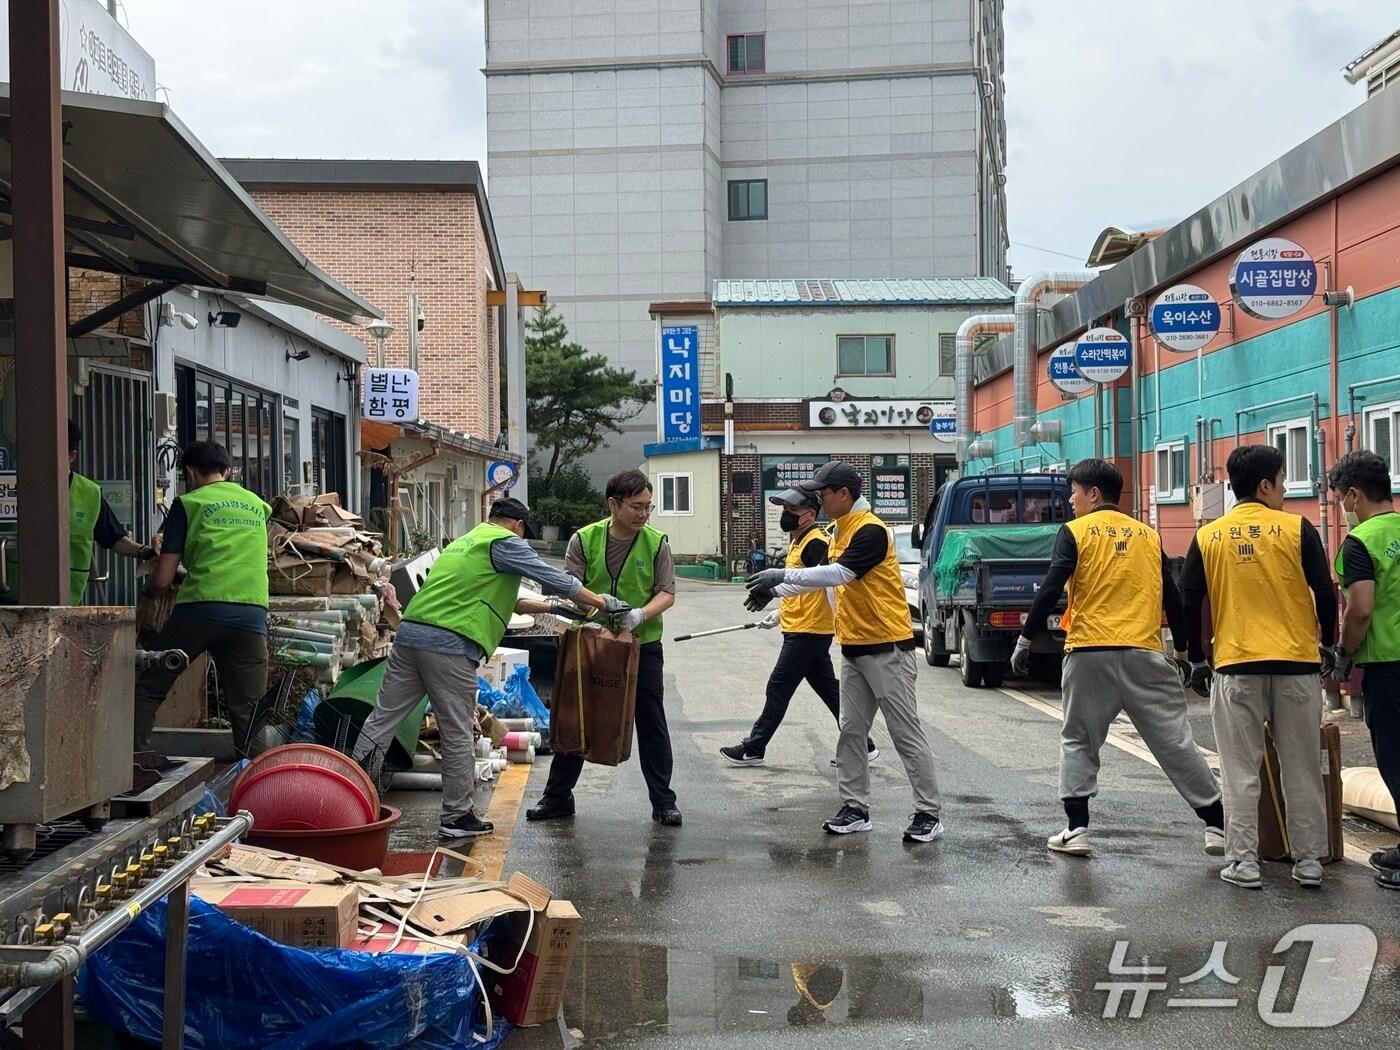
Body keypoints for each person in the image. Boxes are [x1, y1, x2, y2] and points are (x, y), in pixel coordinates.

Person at [354, 497, 624, 840]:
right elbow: (554, 578)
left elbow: (513, 599)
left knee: (383, 719)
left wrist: (560, 608)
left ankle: (353, 798)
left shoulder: (467, 543)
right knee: (456, 730)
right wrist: (602, 602)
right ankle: (456, 817)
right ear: (518, 526)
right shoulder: (506, 542)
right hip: (449, 644)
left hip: (411, 635)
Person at [1013, 457, 1222, 859]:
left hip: (1090, 652)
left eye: (1074, 493)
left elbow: (1051, 586)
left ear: (1093, 493)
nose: (1070, 502)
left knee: (1079, 740)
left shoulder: (1074, 532)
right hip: (1144, 653)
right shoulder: (1147, 535)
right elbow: (1172, 597)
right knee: (1176, 743)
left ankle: (1076, 830)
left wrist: (1025, 638)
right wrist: (1184, 652)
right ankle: (1216, 824)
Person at [745, 461, 943, 843]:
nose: (819, 499)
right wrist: (775, 594)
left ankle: (928, 812)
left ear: (844, 495)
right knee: (851, 731)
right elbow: (823, 582)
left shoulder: (870, 529)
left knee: (904, 733)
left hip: (888, 648)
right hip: (853, 647)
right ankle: (855, 807)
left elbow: (840, 574)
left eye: (823, 492)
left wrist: (781, 577)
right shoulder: (839, 529)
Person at [1179, 445, 1336, 890]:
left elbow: (1190, 597)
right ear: (1265, 485)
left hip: (1236, 665)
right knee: (1302, 767)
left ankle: (1244, 863)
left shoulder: (1209, 535)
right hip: (1297, 665)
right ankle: (1308, 862)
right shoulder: (1296, 528)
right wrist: (1328, 643)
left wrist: (1194, 656)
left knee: (1240, 771)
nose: (1285, 491)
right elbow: (1324, 591)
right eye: (1283, 482)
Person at [527, 469, 683, 827]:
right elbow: (572, 587)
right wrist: (594, 612)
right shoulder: (584, 540)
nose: (643, 515)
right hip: (590, 639)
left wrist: (640, 615)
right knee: (575, 714)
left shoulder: (657, 542)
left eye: (648, 507)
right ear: (613, 505)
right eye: (636, 507)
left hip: (642, 644)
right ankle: (557, 797)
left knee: (651, 719)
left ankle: (663, 801)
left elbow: (667, 592)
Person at [719, 487, 878, 767]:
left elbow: (819, 580)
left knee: (778, 686)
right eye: (784, 510)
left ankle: (754, 747)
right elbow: (804, 587)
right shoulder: (798, 540)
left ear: (809, 514)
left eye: (792, 510)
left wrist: (774, 590)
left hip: (810, 630)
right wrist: (779, 613)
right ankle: (864, 745)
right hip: (801, 627)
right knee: (830, 692)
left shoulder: (816, 542)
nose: (786, 515)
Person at [134, 441, 271, 754]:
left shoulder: (188, 504)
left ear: (190, 473)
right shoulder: (258, 505)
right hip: (251, 614)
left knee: (149, 686)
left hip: (201, 610)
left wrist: (155, 589)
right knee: (250, 710)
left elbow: (163, 579)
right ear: (228, 472)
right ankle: (258, 787)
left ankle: (134, 767)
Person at [1326, 451, 1400, 891]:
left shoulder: (1360, 542)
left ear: (1353, 494)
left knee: (1395, 758)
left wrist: (1344, 653)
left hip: (1390, 668)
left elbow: (1360, 609)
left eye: (1339, 498)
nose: (1341, 506)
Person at [67, 420, 156, 603]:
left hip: (67, 595)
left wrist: (148, 553)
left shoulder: (89, 492)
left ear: (71, 456)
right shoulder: (15, 484)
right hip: (13, 592)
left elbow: (114, 538)